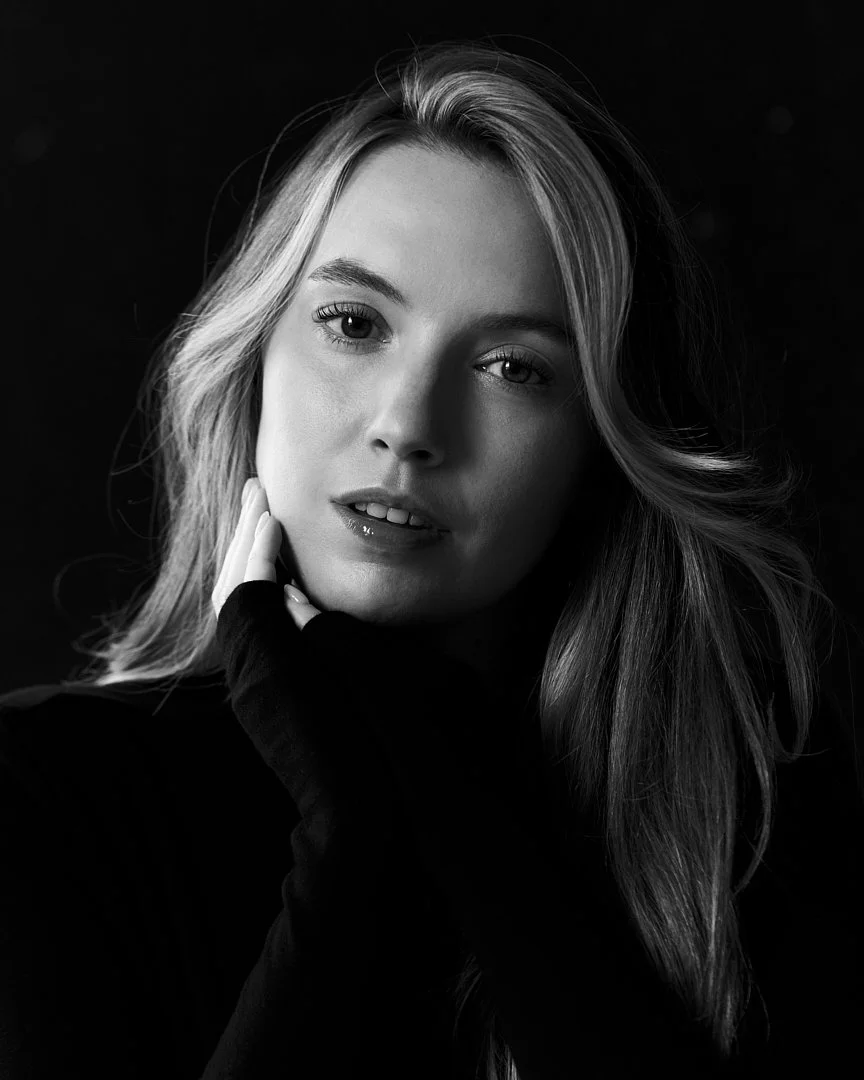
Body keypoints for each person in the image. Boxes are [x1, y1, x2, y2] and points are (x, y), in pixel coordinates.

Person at [1, 37, 861, 1080]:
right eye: (352, 322)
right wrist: (347, 846)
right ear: (253, 354)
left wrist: (441, 783)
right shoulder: (45, 797)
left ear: (600, 444)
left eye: (513, 368)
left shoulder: (750, 820)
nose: (408, 426)